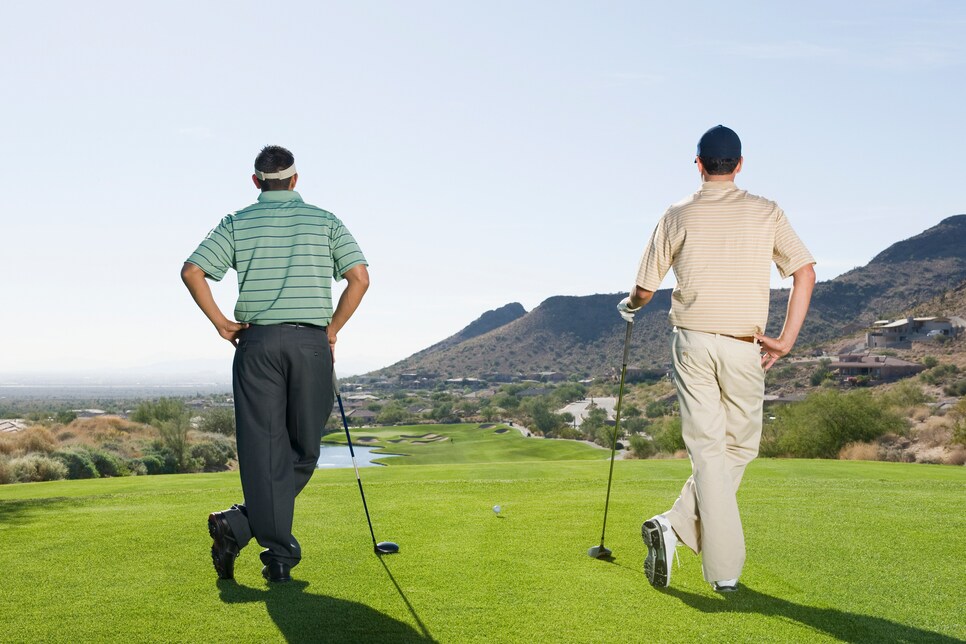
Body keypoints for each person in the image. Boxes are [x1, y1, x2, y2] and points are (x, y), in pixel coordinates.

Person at [617, 125, 815, 593]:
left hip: (693, 343)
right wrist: (785, 340)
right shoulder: (767, 212)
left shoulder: (678, 213)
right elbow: (804, 273)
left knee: (718, 448)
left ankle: (674, 525)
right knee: (733, 448)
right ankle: (723, 571)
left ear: (699, 163)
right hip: (745, 345)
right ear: (740, 164)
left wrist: (628, 306)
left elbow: (644, 290)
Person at [181, 145, 370, 583]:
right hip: (310, 343)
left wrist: (221, 324)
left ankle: (240, 524)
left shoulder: (237, 221)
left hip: (256, 343)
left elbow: (193, 270)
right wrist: (333, 328)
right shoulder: (326, 220)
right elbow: (359, 278)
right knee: (304, 449)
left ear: (256, 182)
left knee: (265, 451)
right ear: (295, 180)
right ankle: (278, 554)